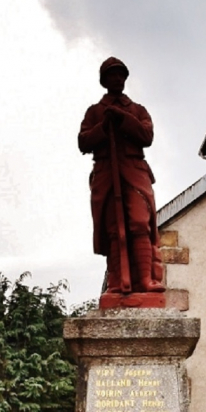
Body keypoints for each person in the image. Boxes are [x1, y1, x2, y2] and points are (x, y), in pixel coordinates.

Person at [78, 57, 165, 294]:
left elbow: (146, 136)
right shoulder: (95, 112)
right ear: (104, 80)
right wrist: (104, 125)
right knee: (113, 228)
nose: (116, 79)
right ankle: (117, 281)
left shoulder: (138, 110)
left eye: (120, 75)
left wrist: (123, 118)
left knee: (139, 222)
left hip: (134, 170)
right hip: (106, 172)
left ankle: (145, 280)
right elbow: (83, 142)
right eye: (111, 75)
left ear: (125, 79)